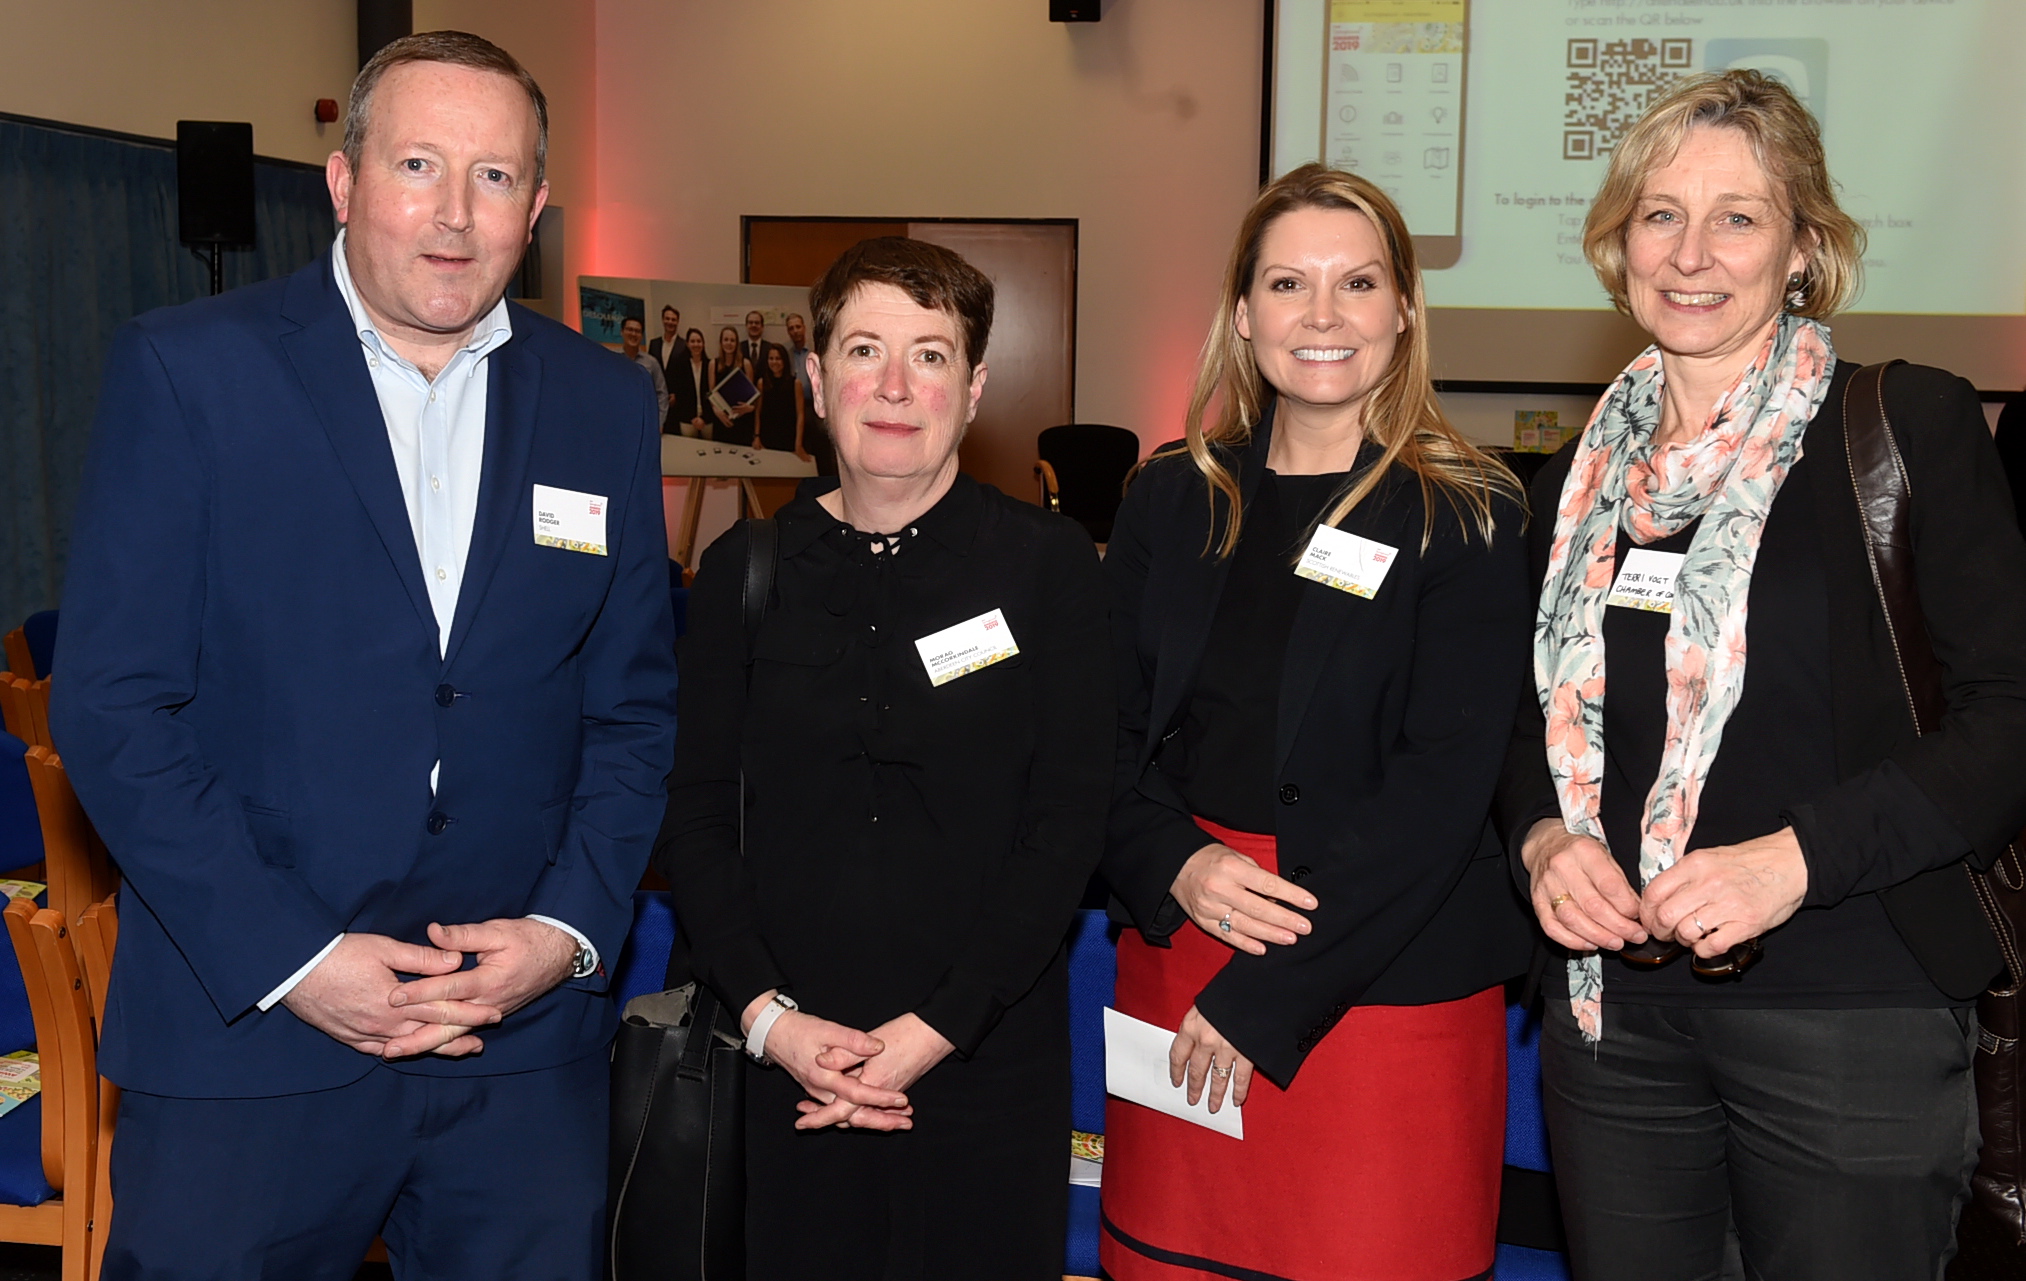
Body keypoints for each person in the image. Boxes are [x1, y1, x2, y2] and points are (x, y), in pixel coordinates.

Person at [50, 31, 677, 1281]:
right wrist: (296, 959)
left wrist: (566, 929)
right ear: (341, 182)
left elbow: (633, 711)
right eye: (419, 166)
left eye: (495, 178)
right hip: (254, 1039)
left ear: (538, 207)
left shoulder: (605, 403)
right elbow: (115, 708)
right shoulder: (191, 372)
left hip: (517, 1051)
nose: (455, 216)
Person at [1498, 70, 2026, 1279]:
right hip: (1611, 1022)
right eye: (1659, 214)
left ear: (1803, 250)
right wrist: (1540, 840)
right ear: (1618, 243)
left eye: (1737, 216)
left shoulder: (1906, 430)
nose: (1691, 252)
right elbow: (1520, 714)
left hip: (1851, 1013)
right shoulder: (1570, 487)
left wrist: (1791, 859)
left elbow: (2009, 721)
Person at [1099, 163, 1532, 1281]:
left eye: (1358, 283)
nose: (1324, 315)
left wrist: (1268, 995)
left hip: (1379, 980)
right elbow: (1099, 731)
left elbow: (1446, 786)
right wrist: (1177, 863)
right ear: (1244, 316)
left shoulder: (1468, 513)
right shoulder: (1170, 496)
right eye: (1289, 283)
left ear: (1403, 311)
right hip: (1189, 941)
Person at [656, 236, 1113, 1279]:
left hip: (984, 1059)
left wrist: (938, 1027)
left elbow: (1068, 817)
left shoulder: (1048, 567)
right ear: (817, 382)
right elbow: (694, 813)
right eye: (864, 351)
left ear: (976, 385)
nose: (896, 386)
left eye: (931, 355)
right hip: (786, 1067)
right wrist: (774, 1022)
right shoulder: (743, 569)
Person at [785, 310, 835, 473]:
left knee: (823, 444)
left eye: (797, 327)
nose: (795, 331)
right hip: (796, 407)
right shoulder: (787, 354)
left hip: (817, 405)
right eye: (791, 328)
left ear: (804, 328)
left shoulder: (815, 352)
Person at [753, 341, 807, 457]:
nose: (774, 362)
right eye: (771, 358)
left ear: (784, 361)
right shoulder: (762, 383)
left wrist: (798, 444)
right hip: (767, 439)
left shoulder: (795, 384)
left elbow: (800, 415)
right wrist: (757, 436)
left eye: (778, 358)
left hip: (788, 439)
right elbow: (758, 412)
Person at [709, 323, 756, 444]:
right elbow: (711, 395)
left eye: (732, 340)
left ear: (737, 343)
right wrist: (717, 412)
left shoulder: (746, 364)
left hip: (741, 421)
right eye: (726, 339)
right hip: (721, 419)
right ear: (721, 342)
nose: (729, 343)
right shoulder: (713, 364)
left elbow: (751, 397)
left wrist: (747, 409)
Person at [619, 314, 670, 421]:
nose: (633, 334)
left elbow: (662, 394)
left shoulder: (651, 362)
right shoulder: (612, 359)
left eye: (637, 331)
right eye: (630, 329)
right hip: (618, 417)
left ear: (642, 336)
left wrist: (659, 422)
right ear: (622, 332)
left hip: (644, 419)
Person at [667, 325, 712, 438]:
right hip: (687, 419)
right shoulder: (680, 366)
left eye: (699, 341)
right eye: (692, 341)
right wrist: (692, 418)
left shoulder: (710, 365)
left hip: (708, 419)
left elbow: (713, 394)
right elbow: (679, 395)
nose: (696, 344)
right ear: (687, 344)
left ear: (703, 343)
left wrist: (704, 418)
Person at [741, 306, 776, 375]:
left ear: (762, 327)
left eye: (757, 323)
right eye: (750, 323)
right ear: (746, 326)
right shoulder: (738, 348)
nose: (754, 325)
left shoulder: (770, 348)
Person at [647, 303, 681, 369]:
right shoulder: (654, 344)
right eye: (667, 319)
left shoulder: (684, 345)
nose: (670, 322)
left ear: (677, 322)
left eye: (673, 320)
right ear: (662, 320)